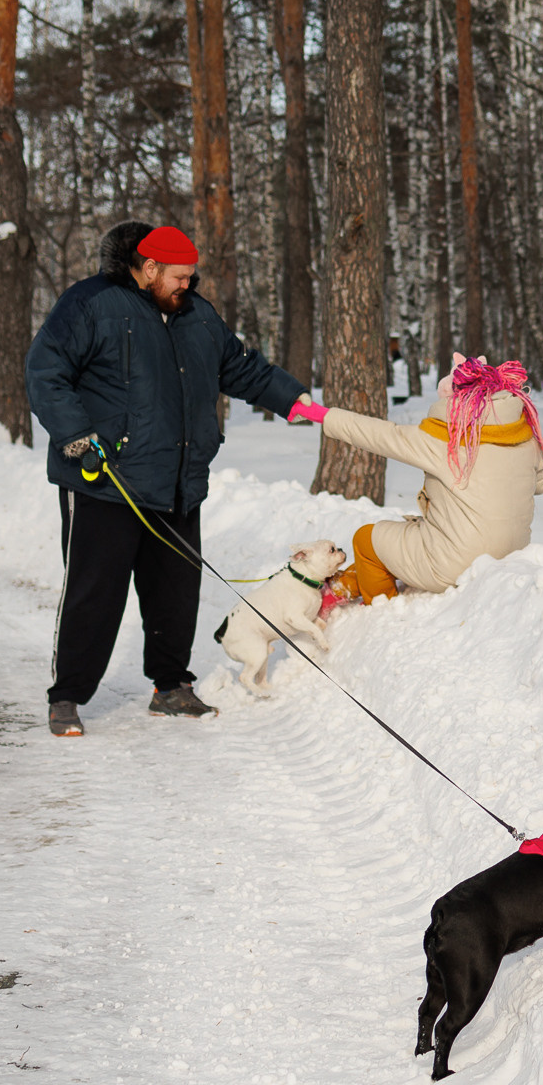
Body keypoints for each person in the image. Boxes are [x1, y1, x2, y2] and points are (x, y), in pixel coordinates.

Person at [27, 221, 319, 736]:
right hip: (105, 479)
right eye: (179, 276)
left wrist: (291, 399)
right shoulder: (91, 303)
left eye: (192, 275)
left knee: (174, 591)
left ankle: (171, 687)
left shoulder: (197, 316)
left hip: (178, 479)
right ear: (149, 267)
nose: (189, 284)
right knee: (94, 592)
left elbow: (241, 367)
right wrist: (76, 436)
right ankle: (68, 695)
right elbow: (45, 370)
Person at [303, 355, 543, 602]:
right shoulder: (524, 436)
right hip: (513, 557)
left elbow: (379, 435)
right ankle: (350, 581)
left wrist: (323, 415)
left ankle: (381, 610)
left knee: (366, 539)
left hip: (456, 564)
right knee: (411, 533)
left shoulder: (446, 437)